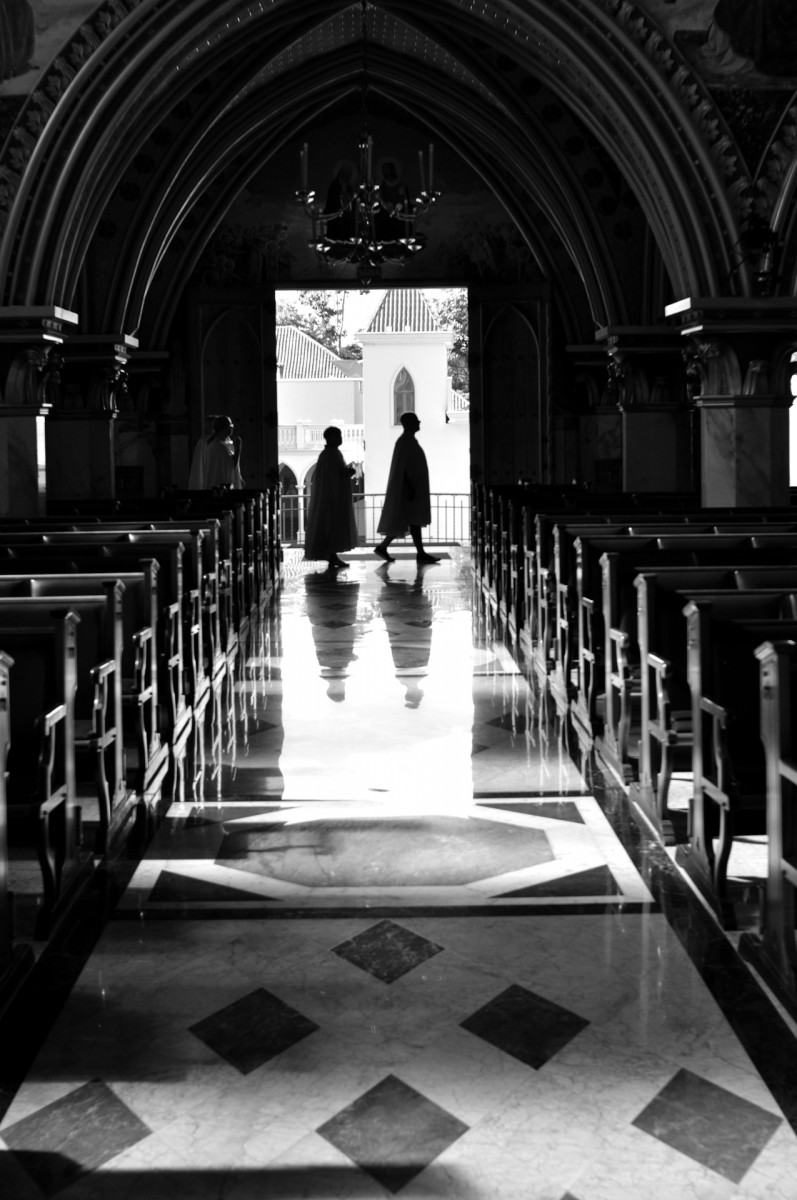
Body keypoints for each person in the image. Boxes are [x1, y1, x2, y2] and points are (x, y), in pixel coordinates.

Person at [374, 412, 440, 565]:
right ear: (408, 423)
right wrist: (409, 486)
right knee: (411, 520)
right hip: (409, 490)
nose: (419, 423)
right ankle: (418, 552)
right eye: (416, 421)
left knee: (411, 520)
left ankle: (387, 547)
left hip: (413, 488)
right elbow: (401, 468)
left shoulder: (408, 441)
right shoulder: (404, 442)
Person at [304, 426, 358, 571]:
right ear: (329, 438)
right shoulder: (330, 455)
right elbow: (334, 477)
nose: (340, 439)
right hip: (332, 498)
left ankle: (332, 555)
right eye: (338, 436)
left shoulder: (330, 454)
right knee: (331, 526)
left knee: (332, 526)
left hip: (332, 497)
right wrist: (348, 472)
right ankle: (332, 555)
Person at [188, 415, 243, 489]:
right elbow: (231, 465)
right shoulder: (217, 446)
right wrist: (238, 447)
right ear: (223, 428)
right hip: (219, 485)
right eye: (230, 425)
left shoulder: (223, 443)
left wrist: (238, 477)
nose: (232, 427)